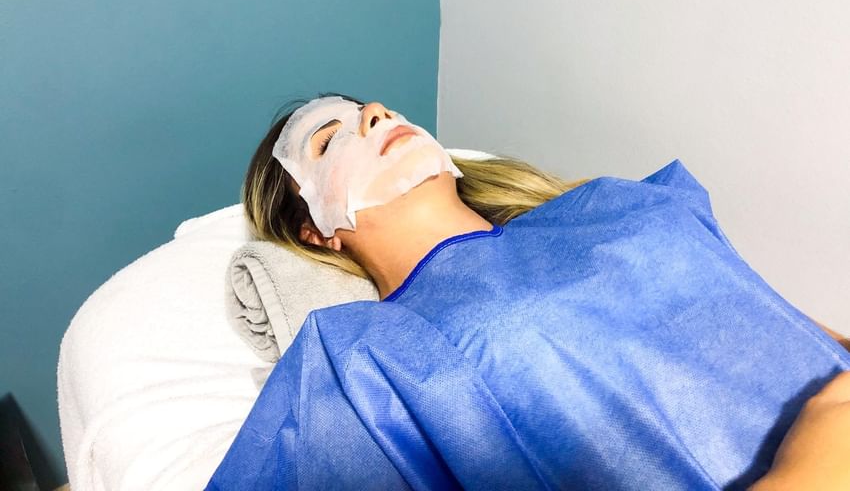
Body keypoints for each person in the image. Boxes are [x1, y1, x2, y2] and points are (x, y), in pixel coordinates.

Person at [207, 93, 849, 490]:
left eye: (373, 109)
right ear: (315, 234)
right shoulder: (362, 355)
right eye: (330, 138)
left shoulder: (615, 204)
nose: (376, 113)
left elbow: (768, 322)